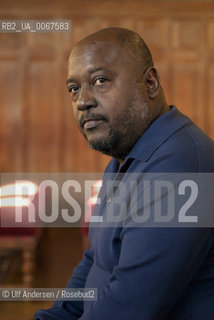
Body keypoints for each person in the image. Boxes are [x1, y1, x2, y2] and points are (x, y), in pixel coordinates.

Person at [34, 27, 214, 320]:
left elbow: (126, 309)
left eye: (100, 81)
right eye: (74, 88)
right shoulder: (124, 157)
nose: (82, 101)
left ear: (150, 82)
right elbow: (97, 259)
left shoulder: (180, 166)